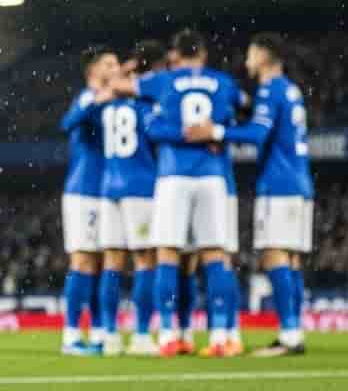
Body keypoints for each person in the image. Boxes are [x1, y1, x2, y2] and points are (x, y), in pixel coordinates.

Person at [118, 29, 244, 358]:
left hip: (173, 174)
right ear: (202, 54)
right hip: (212, 175)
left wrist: (132, 68)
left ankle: (168, 335)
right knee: (215, 255)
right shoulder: (223, 82)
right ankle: (220, 337)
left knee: (168, 254)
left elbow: (118, 86)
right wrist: (215, 132)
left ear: (175, 55)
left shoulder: (163, 80)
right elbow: (242, 108)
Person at [185, 32, 312, 356]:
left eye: (251, 54)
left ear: (264, 57)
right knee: (291, 259)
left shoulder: (270, 89)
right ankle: (294, 329)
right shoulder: (291, 89)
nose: (247, 61)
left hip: (279, 183)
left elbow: (257, 134)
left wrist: (215, 131)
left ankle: (289, 335)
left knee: (274, 255)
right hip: (300, 181)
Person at [97, 40, 165, 356]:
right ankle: (140, 336)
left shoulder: (108, 105)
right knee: (144, 261)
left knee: (112, 262)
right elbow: (156, 134)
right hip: (139, 186)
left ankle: (110, 335)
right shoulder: (143, 102)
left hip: (109, 186)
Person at [58, 46, 118, 355]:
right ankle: (70, 335)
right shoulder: (86, 97)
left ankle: (97, 331)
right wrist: (97, 98)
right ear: (93, 70)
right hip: (83, 190)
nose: (116, 67)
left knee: (99, 263)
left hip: (107, 191)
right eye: (109, 63)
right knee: (82, 260)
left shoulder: (116, 101)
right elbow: (67, 123)